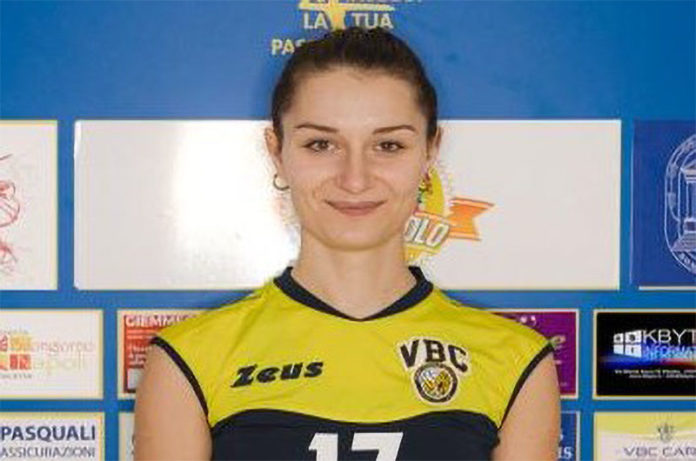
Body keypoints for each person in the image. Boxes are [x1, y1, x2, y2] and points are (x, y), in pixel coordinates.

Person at [134, 26, 560, 461]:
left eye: (388, 145)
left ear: (430, 151)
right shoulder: (189, 360)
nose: (355, 179)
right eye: (321, 144)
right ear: (276, 151)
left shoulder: (513, 361)